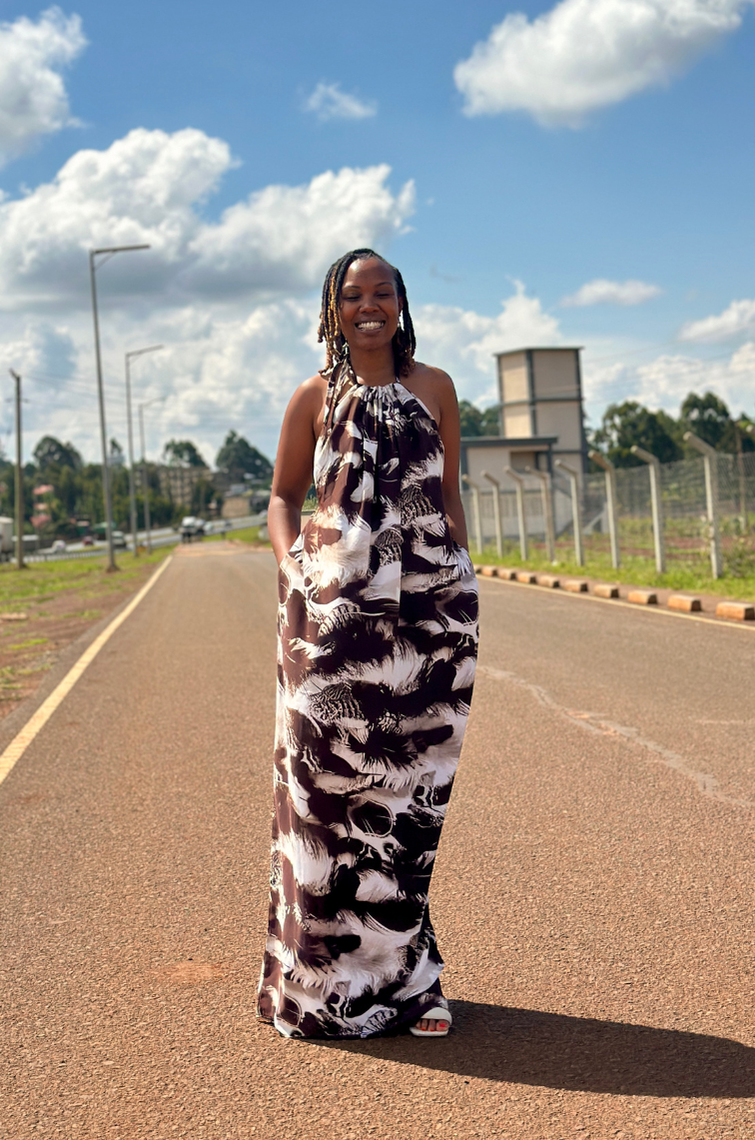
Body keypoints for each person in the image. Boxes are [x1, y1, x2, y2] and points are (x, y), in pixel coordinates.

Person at [257, 248, 479, 1040]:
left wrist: (461, 581)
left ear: (402, 302)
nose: (369, 304)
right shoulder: (312, 398)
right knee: (325, 802)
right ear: (333, 310)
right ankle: (320, 981)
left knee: (408, 800)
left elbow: (448, 496)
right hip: (329, 627)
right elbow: (283, 497)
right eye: (354, 295)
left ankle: (412, 982)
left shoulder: (437, 389)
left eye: (382, 291)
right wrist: (299, 576)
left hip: (431, 621)